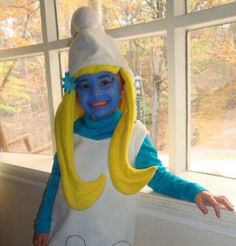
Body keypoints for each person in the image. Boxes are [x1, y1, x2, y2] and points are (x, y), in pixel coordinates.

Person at [33, 7, 234, 246]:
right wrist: (43, 222)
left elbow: (157, 176)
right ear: (75, 93)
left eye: (106, 82)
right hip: (63, 233)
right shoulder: (70, 133)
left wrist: (195, 191)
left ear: (122, 89)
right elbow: (56, 180)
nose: (96, 92)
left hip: (110, 237)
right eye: (85, 85)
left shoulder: (135, 135)